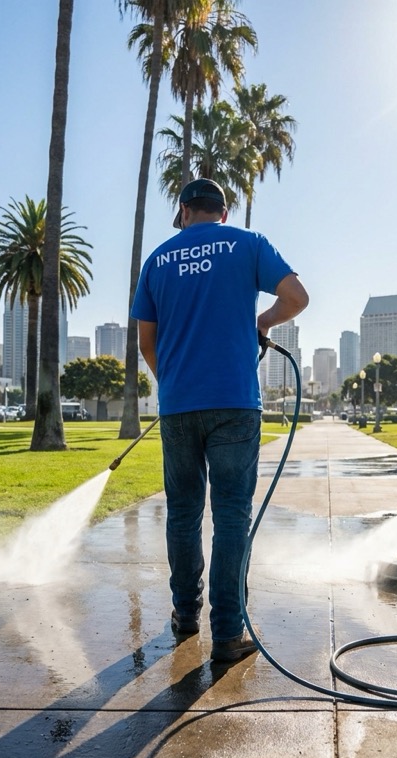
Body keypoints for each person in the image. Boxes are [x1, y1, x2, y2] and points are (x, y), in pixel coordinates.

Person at [131, 178, 308, 662]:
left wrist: (170, 383)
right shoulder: (248, 244)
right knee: (232, 515)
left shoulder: (157, 261)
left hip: (179, 405)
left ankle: (185, 614)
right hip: (234, 402)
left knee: (183, 513)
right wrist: (263, 323)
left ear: (184, 211)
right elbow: (297, 297)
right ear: (222, 213)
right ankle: (228, 633)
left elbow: (147, 341)